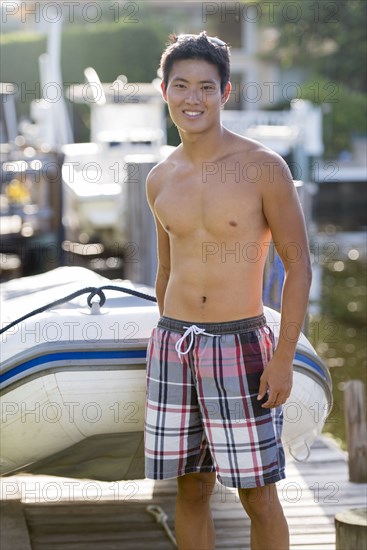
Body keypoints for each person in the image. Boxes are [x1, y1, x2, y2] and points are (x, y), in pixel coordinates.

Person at [144, 31, 312, 550]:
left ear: (225, 93)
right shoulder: (159, 177)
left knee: (258, 495)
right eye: (180, 86)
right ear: (164, 90)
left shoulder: (263, 167)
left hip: (241, 344)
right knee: (190, 488)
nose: (191, 98)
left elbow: (298, 264)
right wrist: (164, 341)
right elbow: (166, 270)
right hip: (174, 345)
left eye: (204, 87)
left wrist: (282, 357)